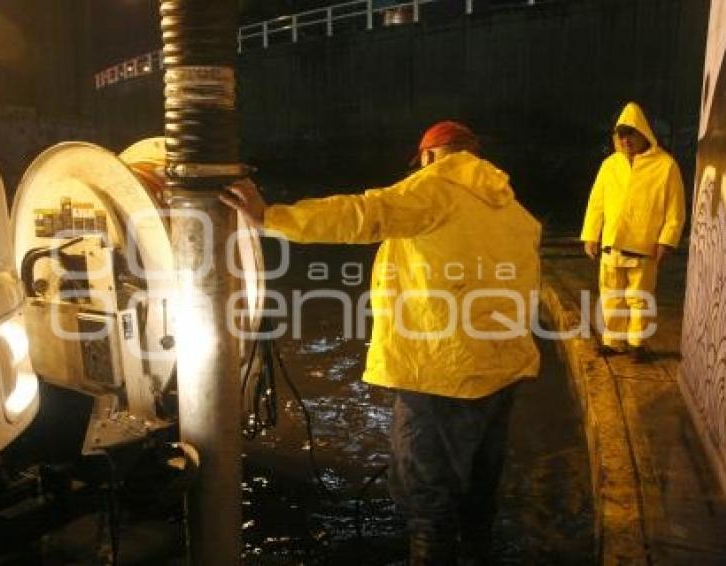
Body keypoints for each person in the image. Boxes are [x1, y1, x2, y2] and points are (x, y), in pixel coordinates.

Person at [222, 121, 541, 565]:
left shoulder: (434, 189)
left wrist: (271, 217)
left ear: (429, 156)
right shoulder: (513, 211)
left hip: (439, 374)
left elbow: (362, 214)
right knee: (478, 489)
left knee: (426, 496)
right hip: (504, 369)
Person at [580, 102, 686, 363]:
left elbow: (675, 209)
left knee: (639, 298)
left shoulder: (665, 166)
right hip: (611, 245)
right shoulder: (610, 165)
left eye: (631, 133)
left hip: (643, 245)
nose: (626, 139)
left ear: (643, 133)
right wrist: (591, 235)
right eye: (621, 134)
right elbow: (597, 202)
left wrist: (667, 242)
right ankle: (614, 342)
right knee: (611, 296)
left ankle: (638, 343)